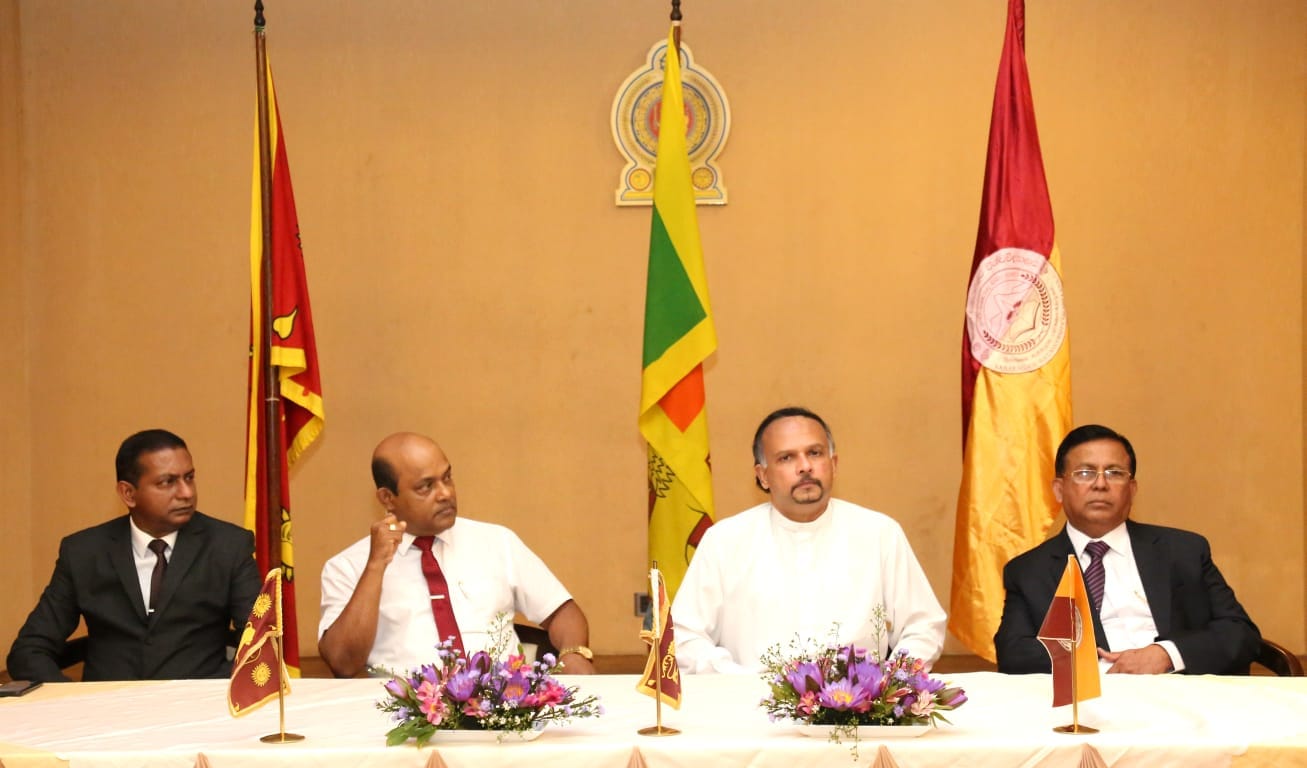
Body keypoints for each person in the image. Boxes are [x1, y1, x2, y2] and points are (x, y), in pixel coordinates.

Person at [672, 407, 947, 674]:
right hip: (749, 707)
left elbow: (924, 626)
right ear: (763, 476)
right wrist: (737, 681)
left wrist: (887, 683)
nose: (805, 467)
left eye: (814, 453)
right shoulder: (725, 540)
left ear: (833, 464)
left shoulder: (879, 533)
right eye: (786, 458)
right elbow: (685, 636)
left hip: (856, 711)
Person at [317, 432, 596, 677]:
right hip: (405, 721)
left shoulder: (497, 542)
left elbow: (562, 612)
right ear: (388, 498)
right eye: (426, 486)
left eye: (447, 478)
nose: (445, 494)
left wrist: (574, 652)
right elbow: (342, 663)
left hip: (503, 709)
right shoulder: (347, 567)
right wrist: (376, 566)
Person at [994, 424, 1261, 675]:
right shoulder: (1029, 571)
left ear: (1132, 489)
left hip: (1183, 693)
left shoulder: (1183, 551)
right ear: (1060, 489)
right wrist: (1103, 669)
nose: (1100, 484)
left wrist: (1166, 655)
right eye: (1085, 473)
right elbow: (1014, 653)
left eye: (1115, 473)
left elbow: (1240, 633)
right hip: (1091, 703)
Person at [6, 429, 261, 682]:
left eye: (189, 477)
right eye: (167, 482)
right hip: (106, 713)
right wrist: (76, 703)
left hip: (197, 709)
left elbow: (261, 648)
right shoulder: (84, 552)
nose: (186, 493)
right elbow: (28, 651)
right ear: (128, 493)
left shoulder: (228, 546)